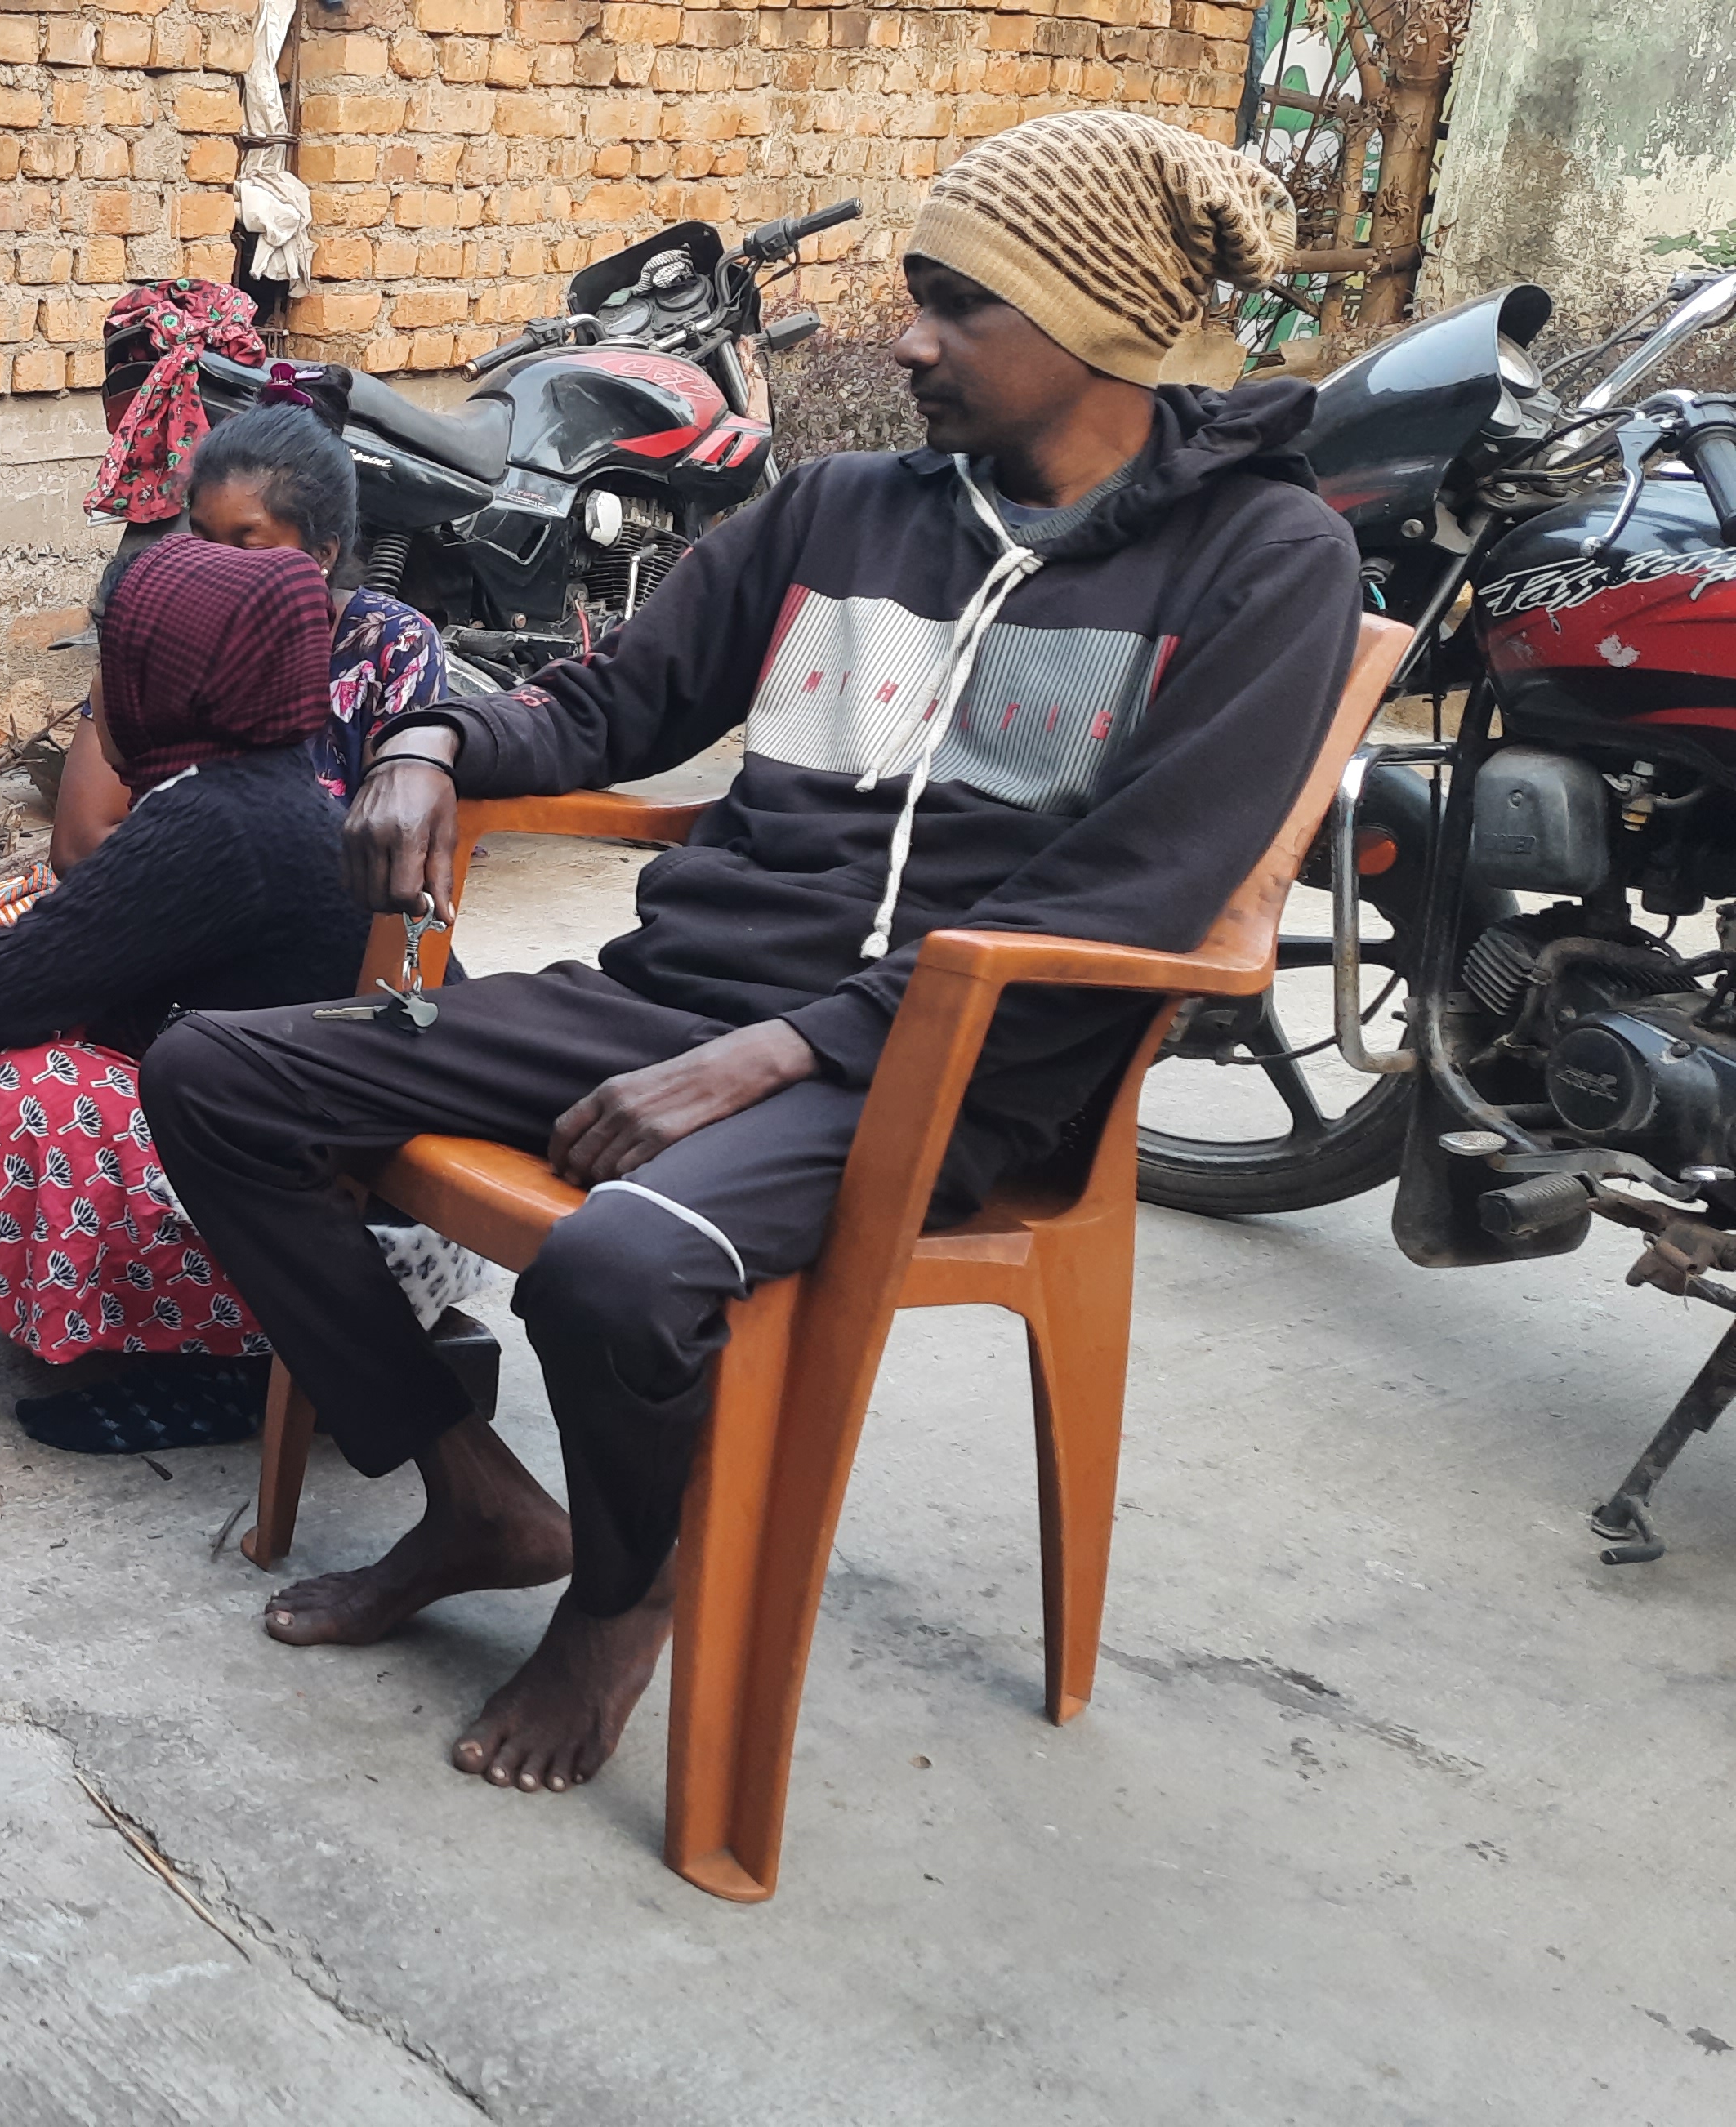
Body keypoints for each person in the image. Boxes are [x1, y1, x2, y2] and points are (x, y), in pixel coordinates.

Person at [141, 110, 1352, 1795]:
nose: (907, 339)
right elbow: (609, 703)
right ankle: (471, 1487)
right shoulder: (841, 514)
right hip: (676, 999)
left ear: (1093, 321)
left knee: (618, 1268)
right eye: (912, 294)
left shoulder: (1262, 564)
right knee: (214, 1076)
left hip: (950, 1072)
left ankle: (618, 1603)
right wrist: (422, 740)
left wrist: (792, 1048)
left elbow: (1134, 897)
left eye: (952, 303)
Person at [0, 537, 484, 1454]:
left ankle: (241, 1369)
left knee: (45, 1094)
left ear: (167, 683)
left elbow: (25, 975)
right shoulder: (252, 792)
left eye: (118, 660)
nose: (100, 690)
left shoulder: (214, 823)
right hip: (387, 1210)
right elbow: (55, 949)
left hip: (359, 1257)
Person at [0, 402, 447, 939]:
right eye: (202, 539)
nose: (213, 566)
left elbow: (390, 854)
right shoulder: (164, 624)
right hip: (159, 917)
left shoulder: (393, 647)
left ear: (322, 555)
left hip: (307, 942)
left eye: (248, 545)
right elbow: (78, 844)